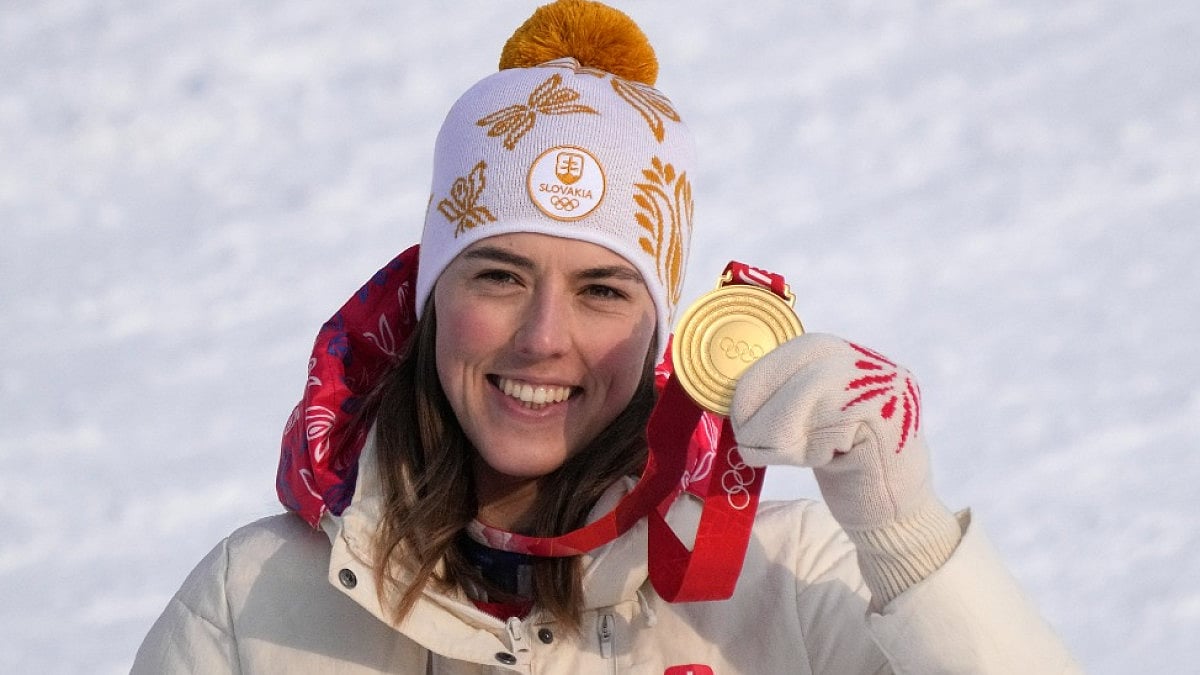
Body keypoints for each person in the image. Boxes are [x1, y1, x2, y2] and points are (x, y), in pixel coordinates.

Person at [133, 1, 1081, 672]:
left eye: (601, 290)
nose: (544, 337)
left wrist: (905, 534)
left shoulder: (789, 588)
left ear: (662, 331)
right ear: (427, 296)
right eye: (499, 275)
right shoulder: (251, 605)